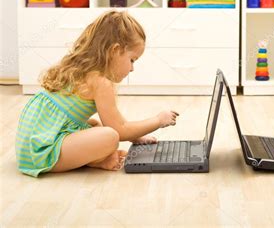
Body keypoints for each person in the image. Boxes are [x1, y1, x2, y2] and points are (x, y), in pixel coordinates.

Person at [16, 10, 179, 177]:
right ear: (115, 51)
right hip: (41, 152)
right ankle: (96, 160)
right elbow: (119, 130)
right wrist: (158, 120)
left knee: (95, 124)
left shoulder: (84, 70)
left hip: (34, 142)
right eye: (132, 60)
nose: (132, 69)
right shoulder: (101, 82)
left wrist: (135, 138)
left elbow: (118, 122)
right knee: (110, 136)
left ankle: (97, 158)